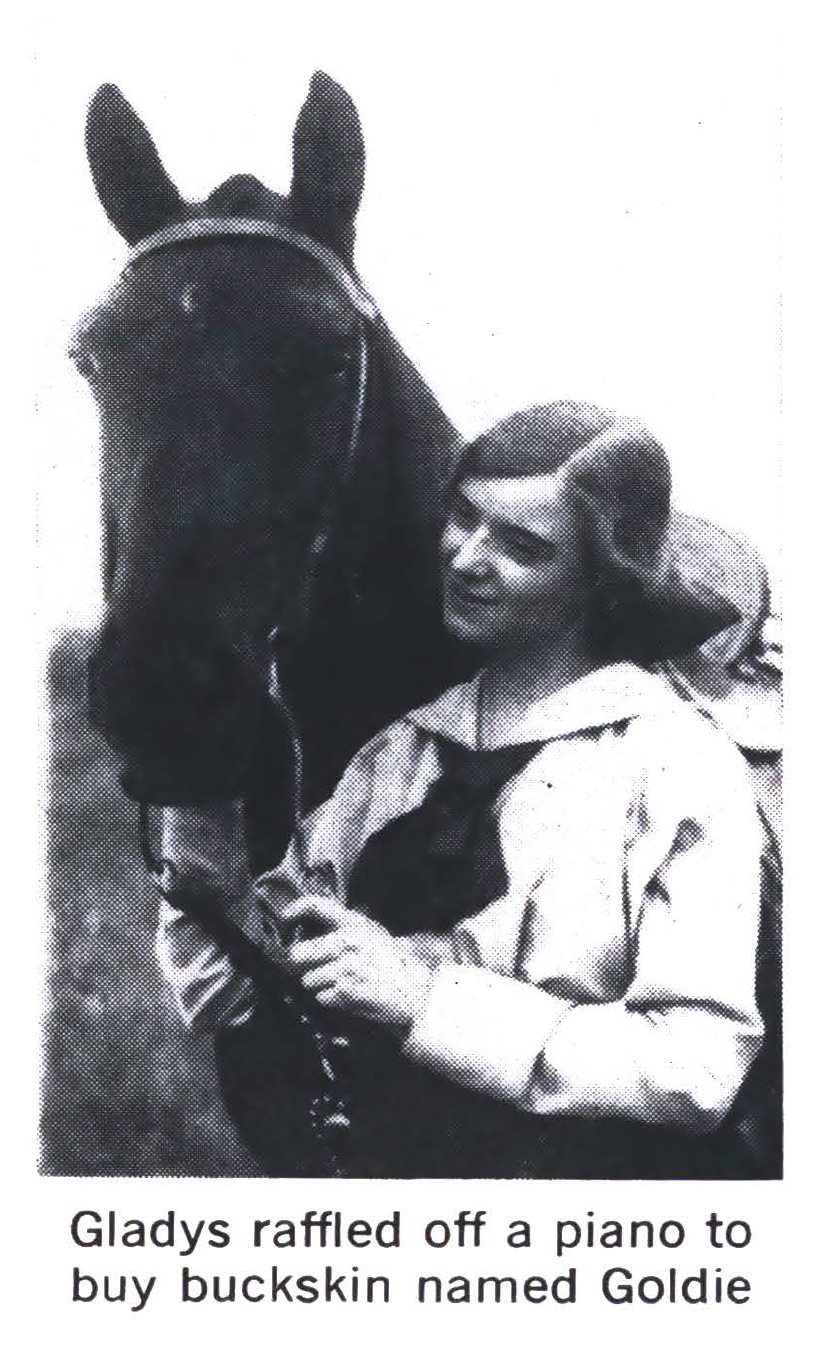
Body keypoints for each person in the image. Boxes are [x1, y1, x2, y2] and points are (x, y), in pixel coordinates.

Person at [156, 400, 766, 1178]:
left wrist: (425, 1001)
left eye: (522, 546)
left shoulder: (675, 760)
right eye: (465, 518)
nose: (468, 559)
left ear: (602, 578)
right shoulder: (399, 755)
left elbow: (700, 1069)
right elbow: (228, 1002)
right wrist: (201, 844)